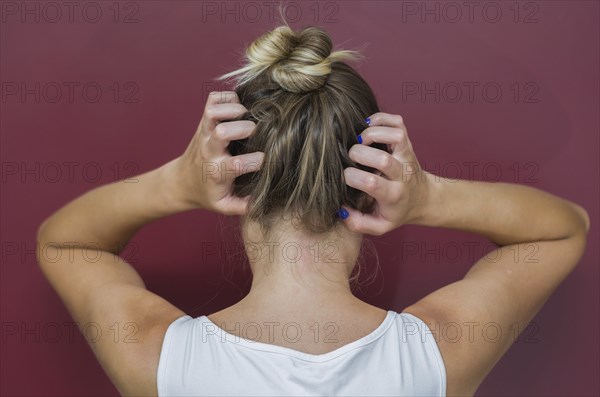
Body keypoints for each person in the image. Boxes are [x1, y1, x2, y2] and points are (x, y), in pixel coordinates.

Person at [36, 24, 590, 397]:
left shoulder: (162, 360)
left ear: (238, 182)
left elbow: (64, 244)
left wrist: (176, 185)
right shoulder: (432, 357)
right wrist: (428, 196)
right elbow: (562, 232)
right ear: (369, 187)